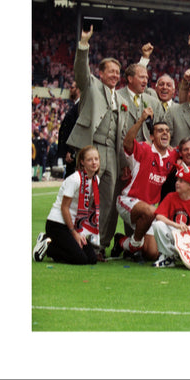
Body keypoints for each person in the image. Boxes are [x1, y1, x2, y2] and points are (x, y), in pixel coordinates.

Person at [66, 24, 129, 254]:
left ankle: (100, 244)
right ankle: (78, 239)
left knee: (109, 201)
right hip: (92, 148)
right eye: (110, 71)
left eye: (117, 72)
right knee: (84, 195)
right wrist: (84, 45)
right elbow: (80, 71)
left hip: (112, 153)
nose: (114, 75)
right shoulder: (91, 85)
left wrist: (122, 162)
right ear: (100, 73)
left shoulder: (121, 97)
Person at [110, 107, 179, 262]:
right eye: (160, 130)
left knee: (152, 254)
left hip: (150, 209)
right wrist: (141, 120)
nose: (165, 133)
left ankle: (123, 243)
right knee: (149, 211)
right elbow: (127, 142)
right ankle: (135, 244)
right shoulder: (144, 148)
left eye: (167, 131)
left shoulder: (173, 155)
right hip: (128, 200)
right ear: (151, 136)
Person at [34, 146, 102, 265]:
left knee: (92, 258)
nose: (94, 162)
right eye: (90, 160)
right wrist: (74, 232)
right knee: (81, 259)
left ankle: (58, 246)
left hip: (73, 225)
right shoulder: (75, 179)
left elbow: (86, 209)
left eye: (96, 159)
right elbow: (64, 207)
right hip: (58, 224)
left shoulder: (96, 180)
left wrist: (81, 232)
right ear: (82, 162)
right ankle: (49, 246)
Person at [149, 165, 190, 269]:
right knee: (158, 225)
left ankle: (182, 255)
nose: (177, 183)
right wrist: (176, 225)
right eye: (177, 180)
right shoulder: (170, 197)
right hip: (176, 233)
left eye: (181, 181)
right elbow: (159, 216)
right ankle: (168, 256)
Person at [56, 80, 80, 179]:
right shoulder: (76, 106)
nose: (70, 90)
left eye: (72, 87)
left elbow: (77, 129)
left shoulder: (80, 106)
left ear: (78, 89)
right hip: (70, 153)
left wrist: (71, 150)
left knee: (70, 184)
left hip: (73, 154)